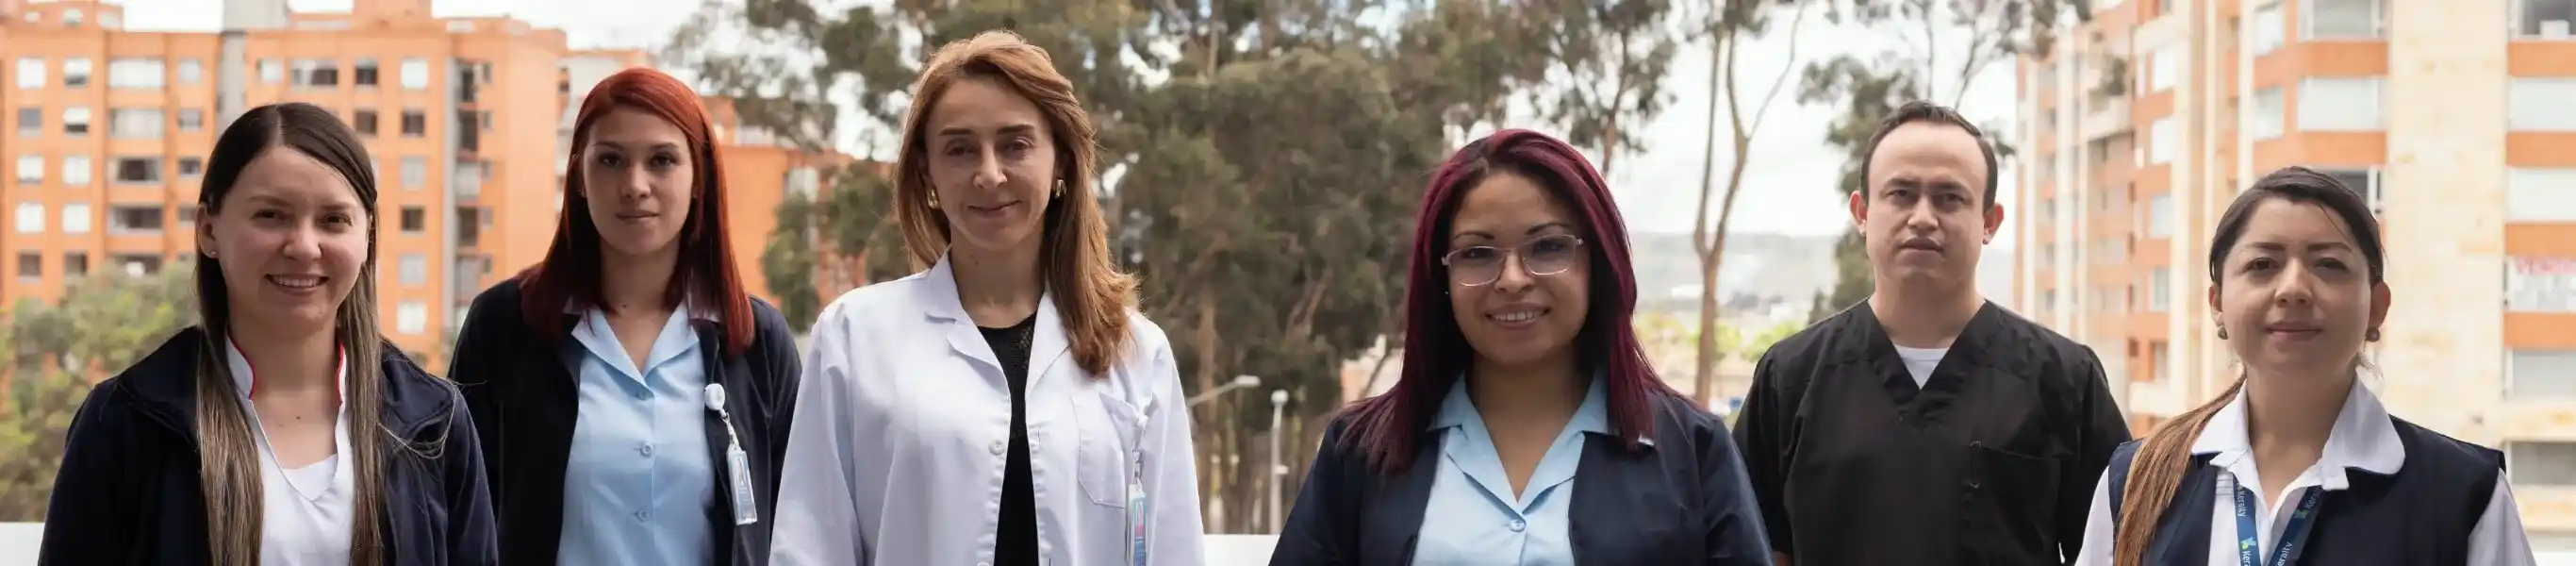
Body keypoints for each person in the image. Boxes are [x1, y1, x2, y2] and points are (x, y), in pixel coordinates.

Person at [767, 30, 1205, 566]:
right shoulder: (855, 336)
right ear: (926, 170)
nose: (989, 173)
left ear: (1062, 162)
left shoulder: (1136, 349)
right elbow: (810, 547)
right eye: (960, 149)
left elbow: (1172, 549)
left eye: (1016, 144)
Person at [1267, 129, 1773, 566]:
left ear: (1597, 264)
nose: (1512, 279)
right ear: (1440, 276)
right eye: (1477, 253)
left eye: (1548, 246)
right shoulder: (1360, 451)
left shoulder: (1691, 451)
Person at [35, 102, 496, 565]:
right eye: (271, 216)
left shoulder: (433, 421)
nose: (303, 246)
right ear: (208, 229)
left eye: (334, 220)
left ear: (368, 236)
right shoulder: (127, 423)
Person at [1731, 100, 2132, 566]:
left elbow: (2121, 546)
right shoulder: (1790, 377)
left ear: (1989, 222)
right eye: (1901, 194)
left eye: (1949, 197)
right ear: (1862, 212)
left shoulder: (2064, 379)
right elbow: (1758, 547)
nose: (1922, 216)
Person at [2071, 167, 2537, 566]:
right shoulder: (2136, 479)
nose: (2293, 288)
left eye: (2329, 265)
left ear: (2376, 307)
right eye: (2262, 265)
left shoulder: (2462, 494)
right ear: (2217, 304)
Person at [447, 67, 801, 565]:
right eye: (610, 160)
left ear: (699, 177)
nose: (635, 185)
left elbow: (797, 524)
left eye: (661, 161)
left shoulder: (757, 340)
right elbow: (454, 513)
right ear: (579, 177)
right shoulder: (506, 325)